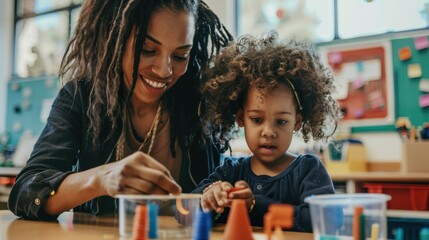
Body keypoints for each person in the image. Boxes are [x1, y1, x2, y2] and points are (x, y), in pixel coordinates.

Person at [8, 0, 233, 220]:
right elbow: (26, 192)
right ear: (115, 37)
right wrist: (101, 179)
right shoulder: (81, 98)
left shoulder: (200, 105)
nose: (165, 70)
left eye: (180, 56)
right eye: (147, 49)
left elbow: (215, 195)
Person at [193, 32, 341, 232]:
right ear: (240, 118)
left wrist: (255, 206)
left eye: (281, 121)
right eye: (257, 119)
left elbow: (327, 219)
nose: (269, 131)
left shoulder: (308, 170)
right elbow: (184, 212)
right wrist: (210, 196)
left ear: (296, 122)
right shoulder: (230, 171)